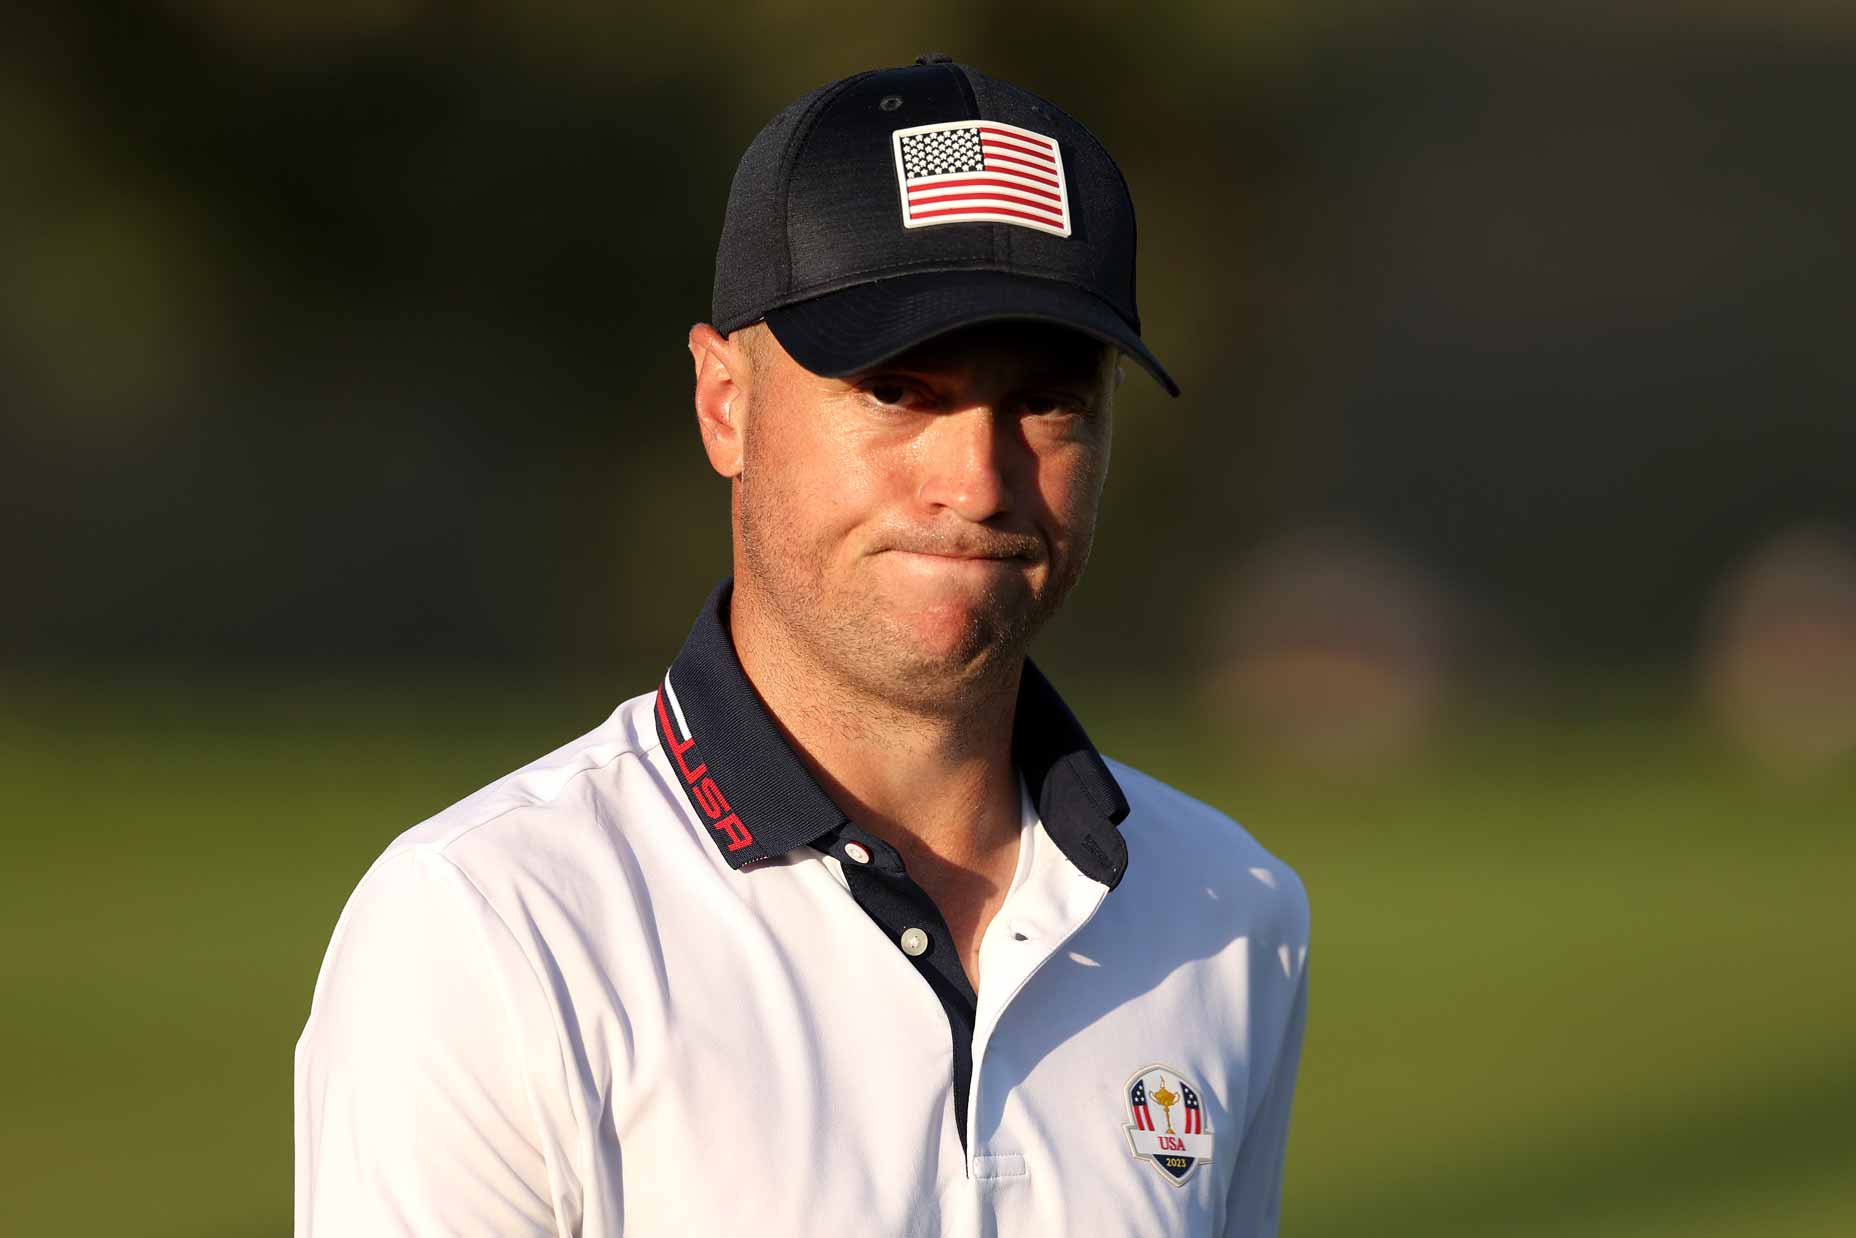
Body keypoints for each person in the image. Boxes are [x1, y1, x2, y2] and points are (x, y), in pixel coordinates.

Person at [294, 54, 1309, 1237]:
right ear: (725, 402)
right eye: (896, 389)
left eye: (1047, 401)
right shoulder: (492, 924)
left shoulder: (1228, 911)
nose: (977, 480)